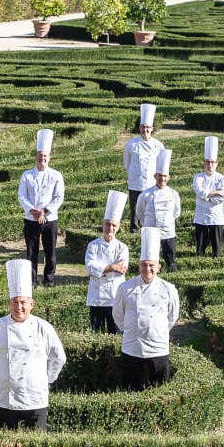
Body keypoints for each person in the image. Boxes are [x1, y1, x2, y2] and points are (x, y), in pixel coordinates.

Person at [0, 258, 67, 431]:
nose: (19, 307)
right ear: (9, 303)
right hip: (3, 398)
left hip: (35, 399)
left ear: (32, 304)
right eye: (15, 302)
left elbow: (58, 357)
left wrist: (44, 379)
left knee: (37, 444)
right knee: (2, 443)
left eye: (23, 302)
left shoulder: (43, 327)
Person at [113, 227, 180, 390]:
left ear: (159, 267)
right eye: (144, 265)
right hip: (132, 347)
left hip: (158, 348)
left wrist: (157, 330)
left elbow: (172, 316)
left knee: (160, 390)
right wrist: (132, 330)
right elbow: (118, 315)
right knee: (131, 390)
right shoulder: (125, 288)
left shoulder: (169, 289)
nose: (147, 269)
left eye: (151, 265)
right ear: (139, 266)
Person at [18, 128, 65, 287]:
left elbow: (59, 197)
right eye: (39, 156)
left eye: (44, 156)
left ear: (49, 158)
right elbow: (22, 196)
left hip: (50, 219)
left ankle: (49, 280)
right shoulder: (26, 175)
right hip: (30, 219)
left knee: (50, 252)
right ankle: (31, 281)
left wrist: (44, 212)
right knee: (31, 252)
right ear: (35, 157)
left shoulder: (56, 175)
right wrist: (33, 211)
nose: (42, 158)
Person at [85, 190, 129, 333]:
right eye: (108, 224)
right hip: (96, 296)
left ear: (118, 227)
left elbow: (121, 269)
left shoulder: (122, 247)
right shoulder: (93, 245)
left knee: (114, 332)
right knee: (96, 332)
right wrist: (112, 267)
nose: (110, 228)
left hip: (114, 296)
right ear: (102, 224)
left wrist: (100, 270)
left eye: (113, 225)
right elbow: (89, 267)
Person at [123, 103, 165, 231]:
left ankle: (148, 230)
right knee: (135, 210)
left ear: (152, 128)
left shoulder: (158, 145)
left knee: (150, 209)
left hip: (151, 183)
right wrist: (133, 174)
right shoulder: (131, 144)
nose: (145, 130)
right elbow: (126, 162)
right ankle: (134, 230)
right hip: (135, 183)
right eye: (142, 127)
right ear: (139, 128)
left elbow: (161, 165)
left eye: (147, 127)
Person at [138, 148, 180, 270]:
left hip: (168, 230)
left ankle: (171, 270)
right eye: (160, 176)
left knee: (170, 258)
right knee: (150, 257)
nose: (162, 178)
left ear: (168, 177)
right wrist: (147, 223)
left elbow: (176, 212)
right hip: (151, 228)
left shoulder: (173, 194)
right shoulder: (146, 194)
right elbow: (139, 212)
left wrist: (168, 221)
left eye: (165, 176)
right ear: (155, 176)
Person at [192, 136, 224, 257]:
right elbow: (199, 192)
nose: (210, 164)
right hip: (201, 216)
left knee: (217, 251)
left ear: (217, 163)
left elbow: (222, 198)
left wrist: (207, 195)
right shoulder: (198, 177)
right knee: (200, 249)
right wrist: (217, 192)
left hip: (216, 216)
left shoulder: (222, 178)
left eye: (212, 162)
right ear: (204, 163)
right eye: (207, 162)